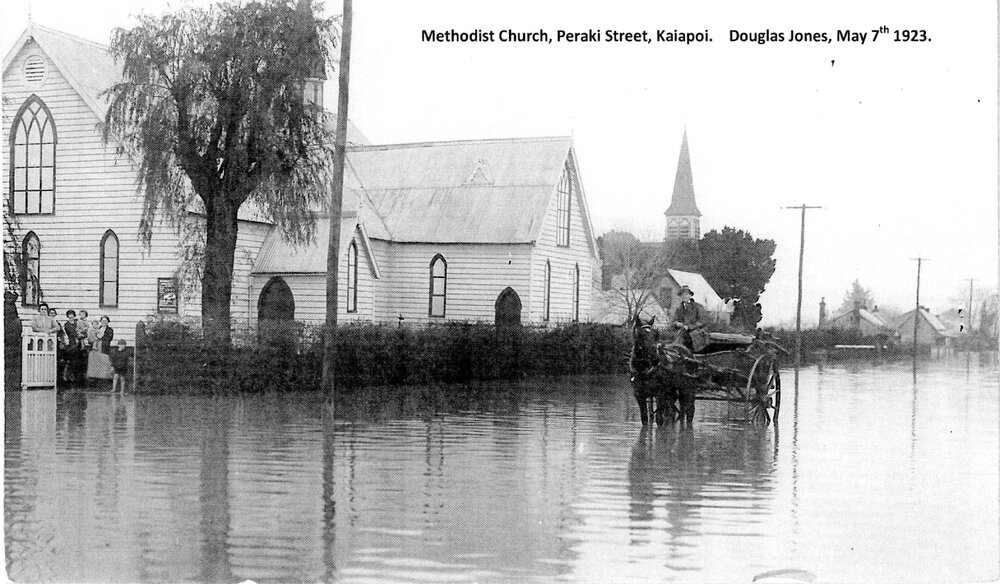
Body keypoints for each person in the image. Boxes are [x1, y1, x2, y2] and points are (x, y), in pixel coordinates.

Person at [672, 285, 707, 351]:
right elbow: (674, 320)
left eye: (686, 294)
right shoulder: (679, 309)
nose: (684, 296)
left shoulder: (697, 307)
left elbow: (701, 321)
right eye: (682, 295)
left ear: (690, 295)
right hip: (682, 332)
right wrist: (676, 323)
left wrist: (689, 327)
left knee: (690, 338)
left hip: (696, 332)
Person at [86, 316, 115, 385]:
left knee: (105, 362)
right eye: (102, 321)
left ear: (108, 322)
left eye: (105, 321)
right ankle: (94, 379)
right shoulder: (97, 328)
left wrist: (100, 338)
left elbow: (109, 338)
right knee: (95, 363)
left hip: (104, 348)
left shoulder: (109, 330)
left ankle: (106, 380)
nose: (104, 322)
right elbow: (92, 336)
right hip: (95, 348)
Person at [62, 310, 80, 385]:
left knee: (77, 361)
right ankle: (67, 376)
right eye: (69, 314)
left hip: (78, 343)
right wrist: (76, 336)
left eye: (72, 314)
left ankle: (75, 377)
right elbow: (70, 332)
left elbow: (81, 330)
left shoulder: (77, 323)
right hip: (71, 343)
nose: (71, 316)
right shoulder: (67, 324)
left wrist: (79, 335)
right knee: (70, 360)